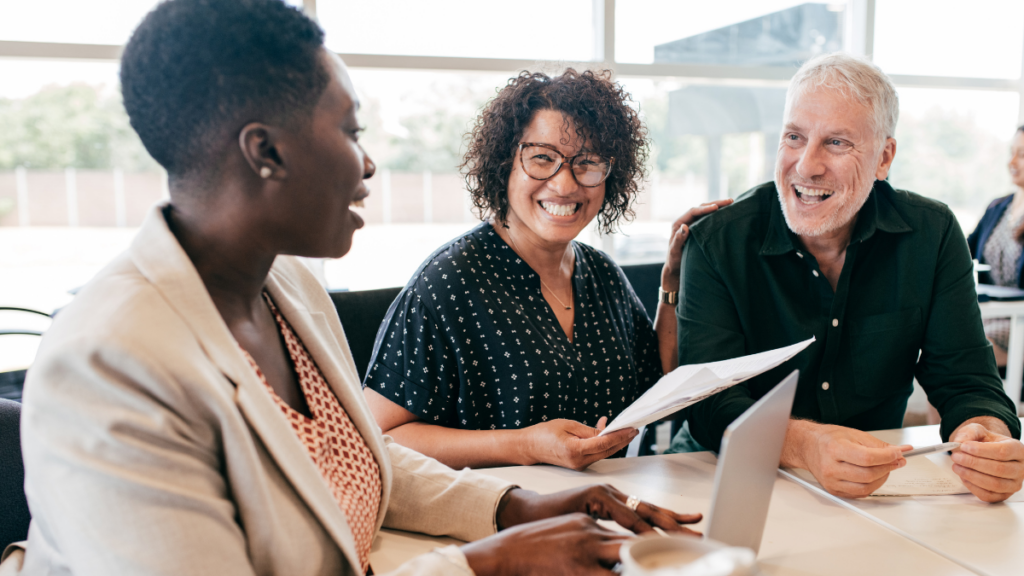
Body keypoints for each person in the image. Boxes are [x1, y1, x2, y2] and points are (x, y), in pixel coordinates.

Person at [0, 2, 703, 575]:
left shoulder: (290, 287)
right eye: (349, 130)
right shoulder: (107, 360)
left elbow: (363, 453)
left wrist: (519, 508)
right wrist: (483, 564)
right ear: (266, 151)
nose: (367, 164)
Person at [675, 52, 1024, 503]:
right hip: (725, 472)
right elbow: (710, 402)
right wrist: (806, 445)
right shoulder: (717, 242)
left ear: (884, 158)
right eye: (794, 137)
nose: (806, 165)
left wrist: (986, 437)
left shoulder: (932, 234)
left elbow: (967, 381)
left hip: (875, 485)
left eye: (837, 143)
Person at [362, 68, 731, 470]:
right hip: (495, 517)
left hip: (603, 506)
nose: (565, 184)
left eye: (587, 163)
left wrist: (673, 281)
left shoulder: (601, 274)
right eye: (543, 158)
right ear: (504, 163)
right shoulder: (447, 284)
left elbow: (658, 380)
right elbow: (381, 437)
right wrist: (523, 445)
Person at [968, 126, 1024, 370]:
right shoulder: (997, 207)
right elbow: (962, 253)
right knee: (936, 351)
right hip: (990, 313)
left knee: (960, 359)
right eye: (1011, 153)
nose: (1011, 162)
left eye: (1021, 155)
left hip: (1019, 320)